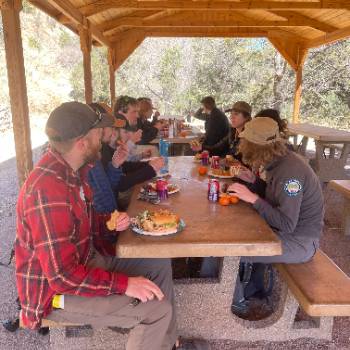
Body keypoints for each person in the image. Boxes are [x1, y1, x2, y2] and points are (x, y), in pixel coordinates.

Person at [15, 102, 177, 350]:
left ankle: (165, 344)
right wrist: (126, 284)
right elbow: (61, 277)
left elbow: (85, 222)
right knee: (157, 310)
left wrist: (110, 224)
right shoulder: (47, 189)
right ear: (82, 142)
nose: (102, 138)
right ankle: (152, 328)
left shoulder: (75, 170)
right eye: (97, 134)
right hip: (55, 294)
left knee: (159, 262)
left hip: (87, 262)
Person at [228, 118, 324, 316]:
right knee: (236, 233)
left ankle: (236, 303)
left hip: (300, 243)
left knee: (229, 249)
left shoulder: (290, 173)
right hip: (289, 235)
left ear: (256, 147)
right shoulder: (281, 161)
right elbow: (276, 198)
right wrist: (253, 181)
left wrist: (253, 198)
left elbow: (286, 223)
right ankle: (253, 288)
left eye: (245, 142)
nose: (241, 145)